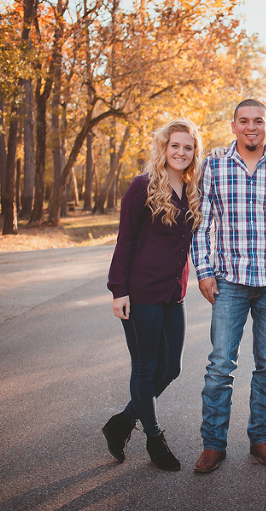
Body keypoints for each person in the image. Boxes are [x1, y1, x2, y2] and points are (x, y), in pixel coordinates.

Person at [190, 99, 266, 473]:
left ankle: (261, 439)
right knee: (220, 365)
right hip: (228, 281)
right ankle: (213, 444)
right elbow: (200, 222)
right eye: (244, 121)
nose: (251, 127)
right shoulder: (214, 165)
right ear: (233, 126)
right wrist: (204, 271)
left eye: (258, 121)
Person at [103, 119, 204, 471]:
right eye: (175, 145)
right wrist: (119, 291)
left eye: (188, 147)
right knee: (145, 367)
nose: (181, 152)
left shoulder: (193, 190)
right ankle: (153, 436)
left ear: (194, 152)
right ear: (164, 148)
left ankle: (120, 423)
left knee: (171, 368)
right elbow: (125, 240)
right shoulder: (142, 186)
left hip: (173, 293)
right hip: (141, 292)